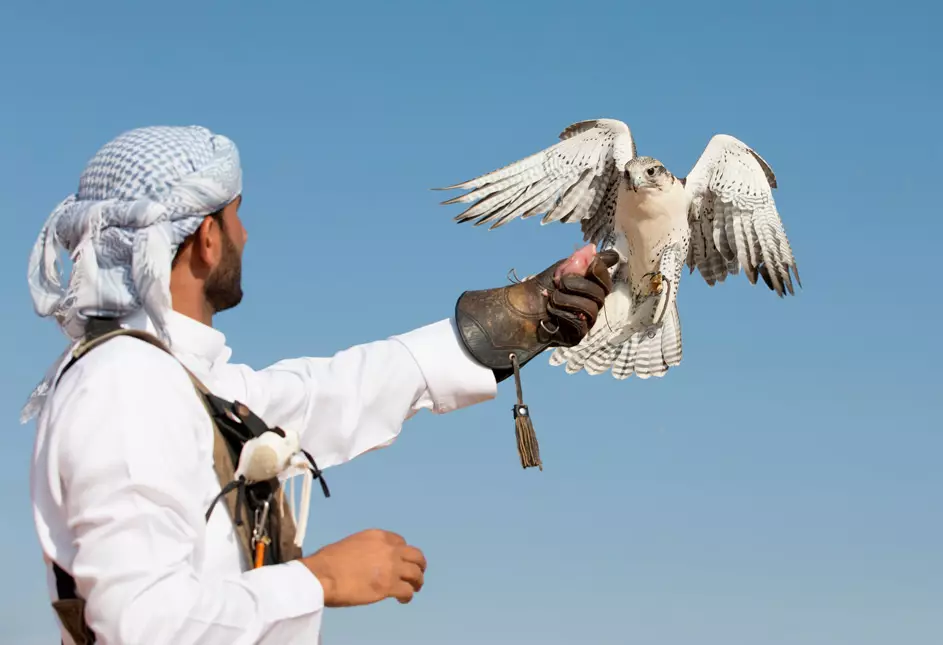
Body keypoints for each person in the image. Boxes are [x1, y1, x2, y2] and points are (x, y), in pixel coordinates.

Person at [22, 125, 617, 645]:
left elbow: (326, 394)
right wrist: (321, 578)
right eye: (236, 216)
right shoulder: (122, 388)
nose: (245, 235)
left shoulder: (173, 379)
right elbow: (142, 627)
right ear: (206, 237)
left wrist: (524, 315)